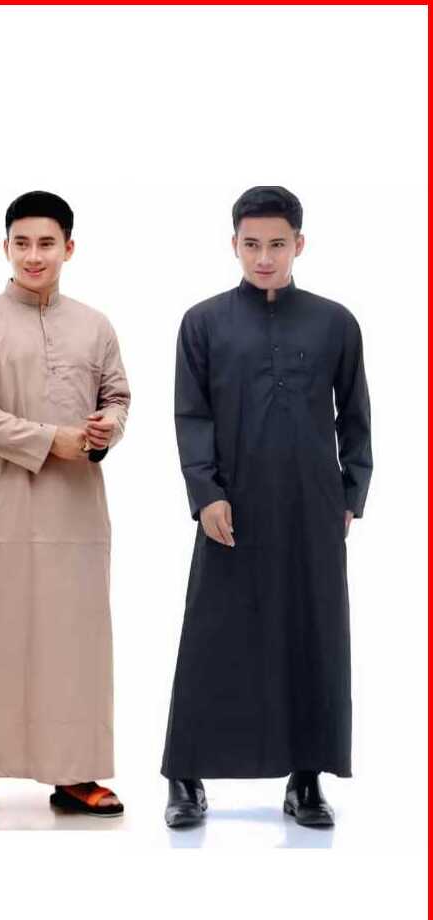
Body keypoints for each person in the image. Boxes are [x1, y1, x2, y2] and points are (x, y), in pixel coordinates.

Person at [162, 186, 372, 829]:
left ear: (298, 244)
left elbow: (355, 415)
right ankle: (185, 777)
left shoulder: (335, 322)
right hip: (232, 504)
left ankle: (306, 778)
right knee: (212, 635)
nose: (263, 257)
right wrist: (206, 494)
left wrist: (350, 494)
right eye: (251, 244)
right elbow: (192, 415)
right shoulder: (203, 322)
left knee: (313, 633)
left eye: (277, 244)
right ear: (233, 244)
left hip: (312, 505)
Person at [0, 191, 131, 821]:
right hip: (6, 508)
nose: (33, 255)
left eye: (46, 243)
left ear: (68, 248)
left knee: (77, 638)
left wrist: (107, 428)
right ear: (5, 247)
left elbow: (118, 397)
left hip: (78, 510)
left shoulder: (95, 325)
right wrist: (51, 440)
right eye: (21, 243)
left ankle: (75, 773)